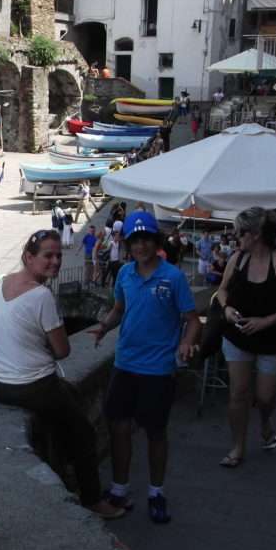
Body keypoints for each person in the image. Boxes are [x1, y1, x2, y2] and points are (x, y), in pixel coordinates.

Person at [0, 230, 124, 519]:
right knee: (84, 433)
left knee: (66, 402)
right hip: (30, 385)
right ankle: (93, 500)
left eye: (59, 255)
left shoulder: (2, 284)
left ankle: (64, 476)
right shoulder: (41, 295)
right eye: (48, 255)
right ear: (28, 257)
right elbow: (62, 351)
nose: (56, 261)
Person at [89, 211, 201, 523]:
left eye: (146, 239)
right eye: (135, 240)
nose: (140, 246)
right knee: (119, 428)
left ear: (156, 241)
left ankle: (156, 492)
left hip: (157, 369)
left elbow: (192, 321)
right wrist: (104, 327)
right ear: (128, 243)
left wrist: (186, 342)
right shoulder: (125, 274)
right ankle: (119, 488)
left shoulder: (173, 277)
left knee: (155, 433)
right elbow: (119, 309)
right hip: (125, 364)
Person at [215, 208, 276, 468]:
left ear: (255, 235)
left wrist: (265, 322)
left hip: (274, 340)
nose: (235, 237)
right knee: (238, 393)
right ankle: (237, 447)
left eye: (240, 232)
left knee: (265, 397)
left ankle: (265, 422)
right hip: (238, 336)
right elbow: (222, 290)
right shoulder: (237, 259)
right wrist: (226, 309)